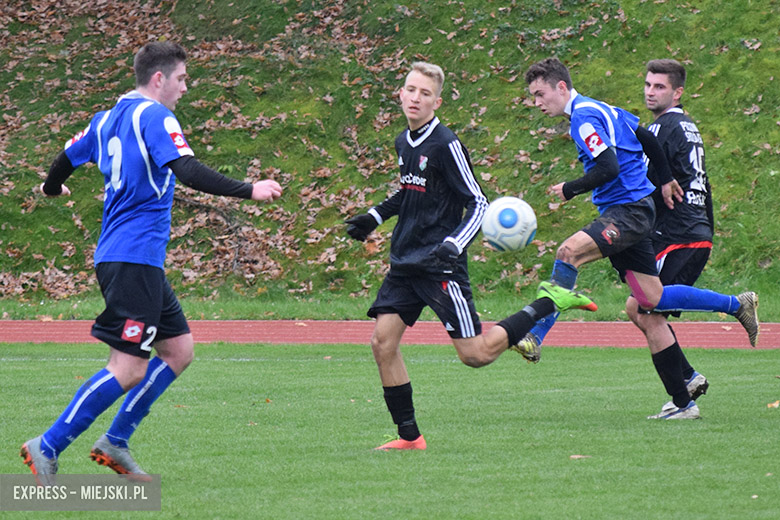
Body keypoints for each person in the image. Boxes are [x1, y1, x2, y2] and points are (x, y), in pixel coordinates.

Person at [21, 41, 282, 484]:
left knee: (178, 351)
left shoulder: (105, 119)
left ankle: (115, 441)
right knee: (127, 368)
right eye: (181, 78)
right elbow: (187, 169)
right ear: (158, 79)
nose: (185, 87)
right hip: (132, 258)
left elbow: (64, 160)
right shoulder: (155, 116)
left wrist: (50, 189)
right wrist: (248, 189)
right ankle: (47, 444)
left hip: (133, 259)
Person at [344, 62, 598, 451]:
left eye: (425, 93)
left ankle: (548, 303)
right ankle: (410, 437)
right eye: (411, 90)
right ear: (401, 93)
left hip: (440, 266)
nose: (415, 98)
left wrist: (455, 243)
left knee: (475, 355)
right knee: (382, 344)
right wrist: (373, 217)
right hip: (406, 263)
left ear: (437, 102)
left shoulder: (446, 144)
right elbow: (409, 192)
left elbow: (478, 202)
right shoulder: (404, 142)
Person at [520, 57, 758, 419]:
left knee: (569, 252)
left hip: (627, 212)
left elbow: (608, 166)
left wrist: (570, 188)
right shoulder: (600, 108)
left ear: (561, 87)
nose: (537, 102)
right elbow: (645, 136)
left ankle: (536, 335)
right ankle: (730, 316)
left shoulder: (583, 117)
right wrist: (665, 178)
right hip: (634, 211)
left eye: (540, 94)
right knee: (650, 301)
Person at [624, 58, 716, 416]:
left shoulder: (662, 127)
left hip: (680, 232)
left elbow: (644, 183)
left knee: (646, 310)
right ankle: (688, 378)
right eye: (648, 84)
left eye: (659, 86)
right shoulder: (686, 125)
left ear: (677, 92)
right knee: (638, 307)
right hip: (692, 230)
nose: (650, 92)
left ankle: (683, 401)